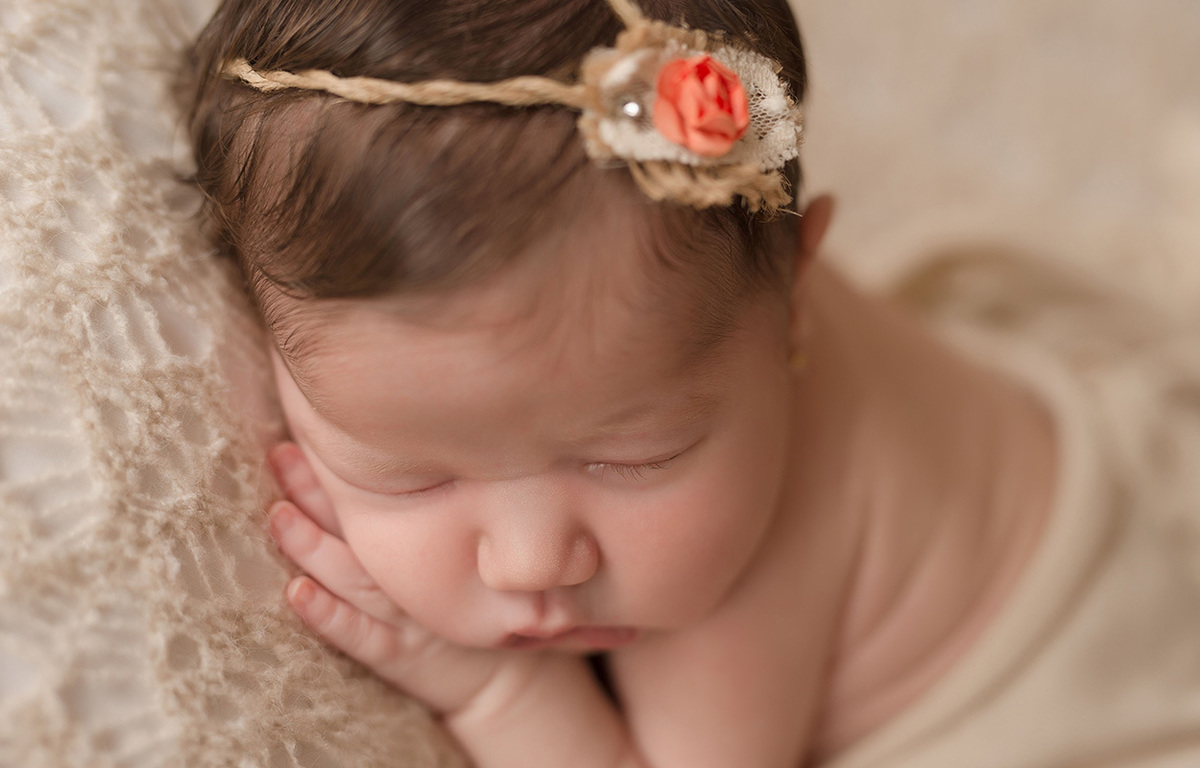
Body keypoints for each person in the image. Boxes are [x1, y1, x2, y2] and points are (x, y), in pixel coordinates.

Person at [183, 0, 1200, 766]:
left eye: (631, 458)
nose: (533, 561)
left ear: (795, 293)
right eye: (410, 473)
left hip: (1082, 674)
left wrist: (498, 693)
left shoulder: (743, 578)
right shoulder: (690, 282)